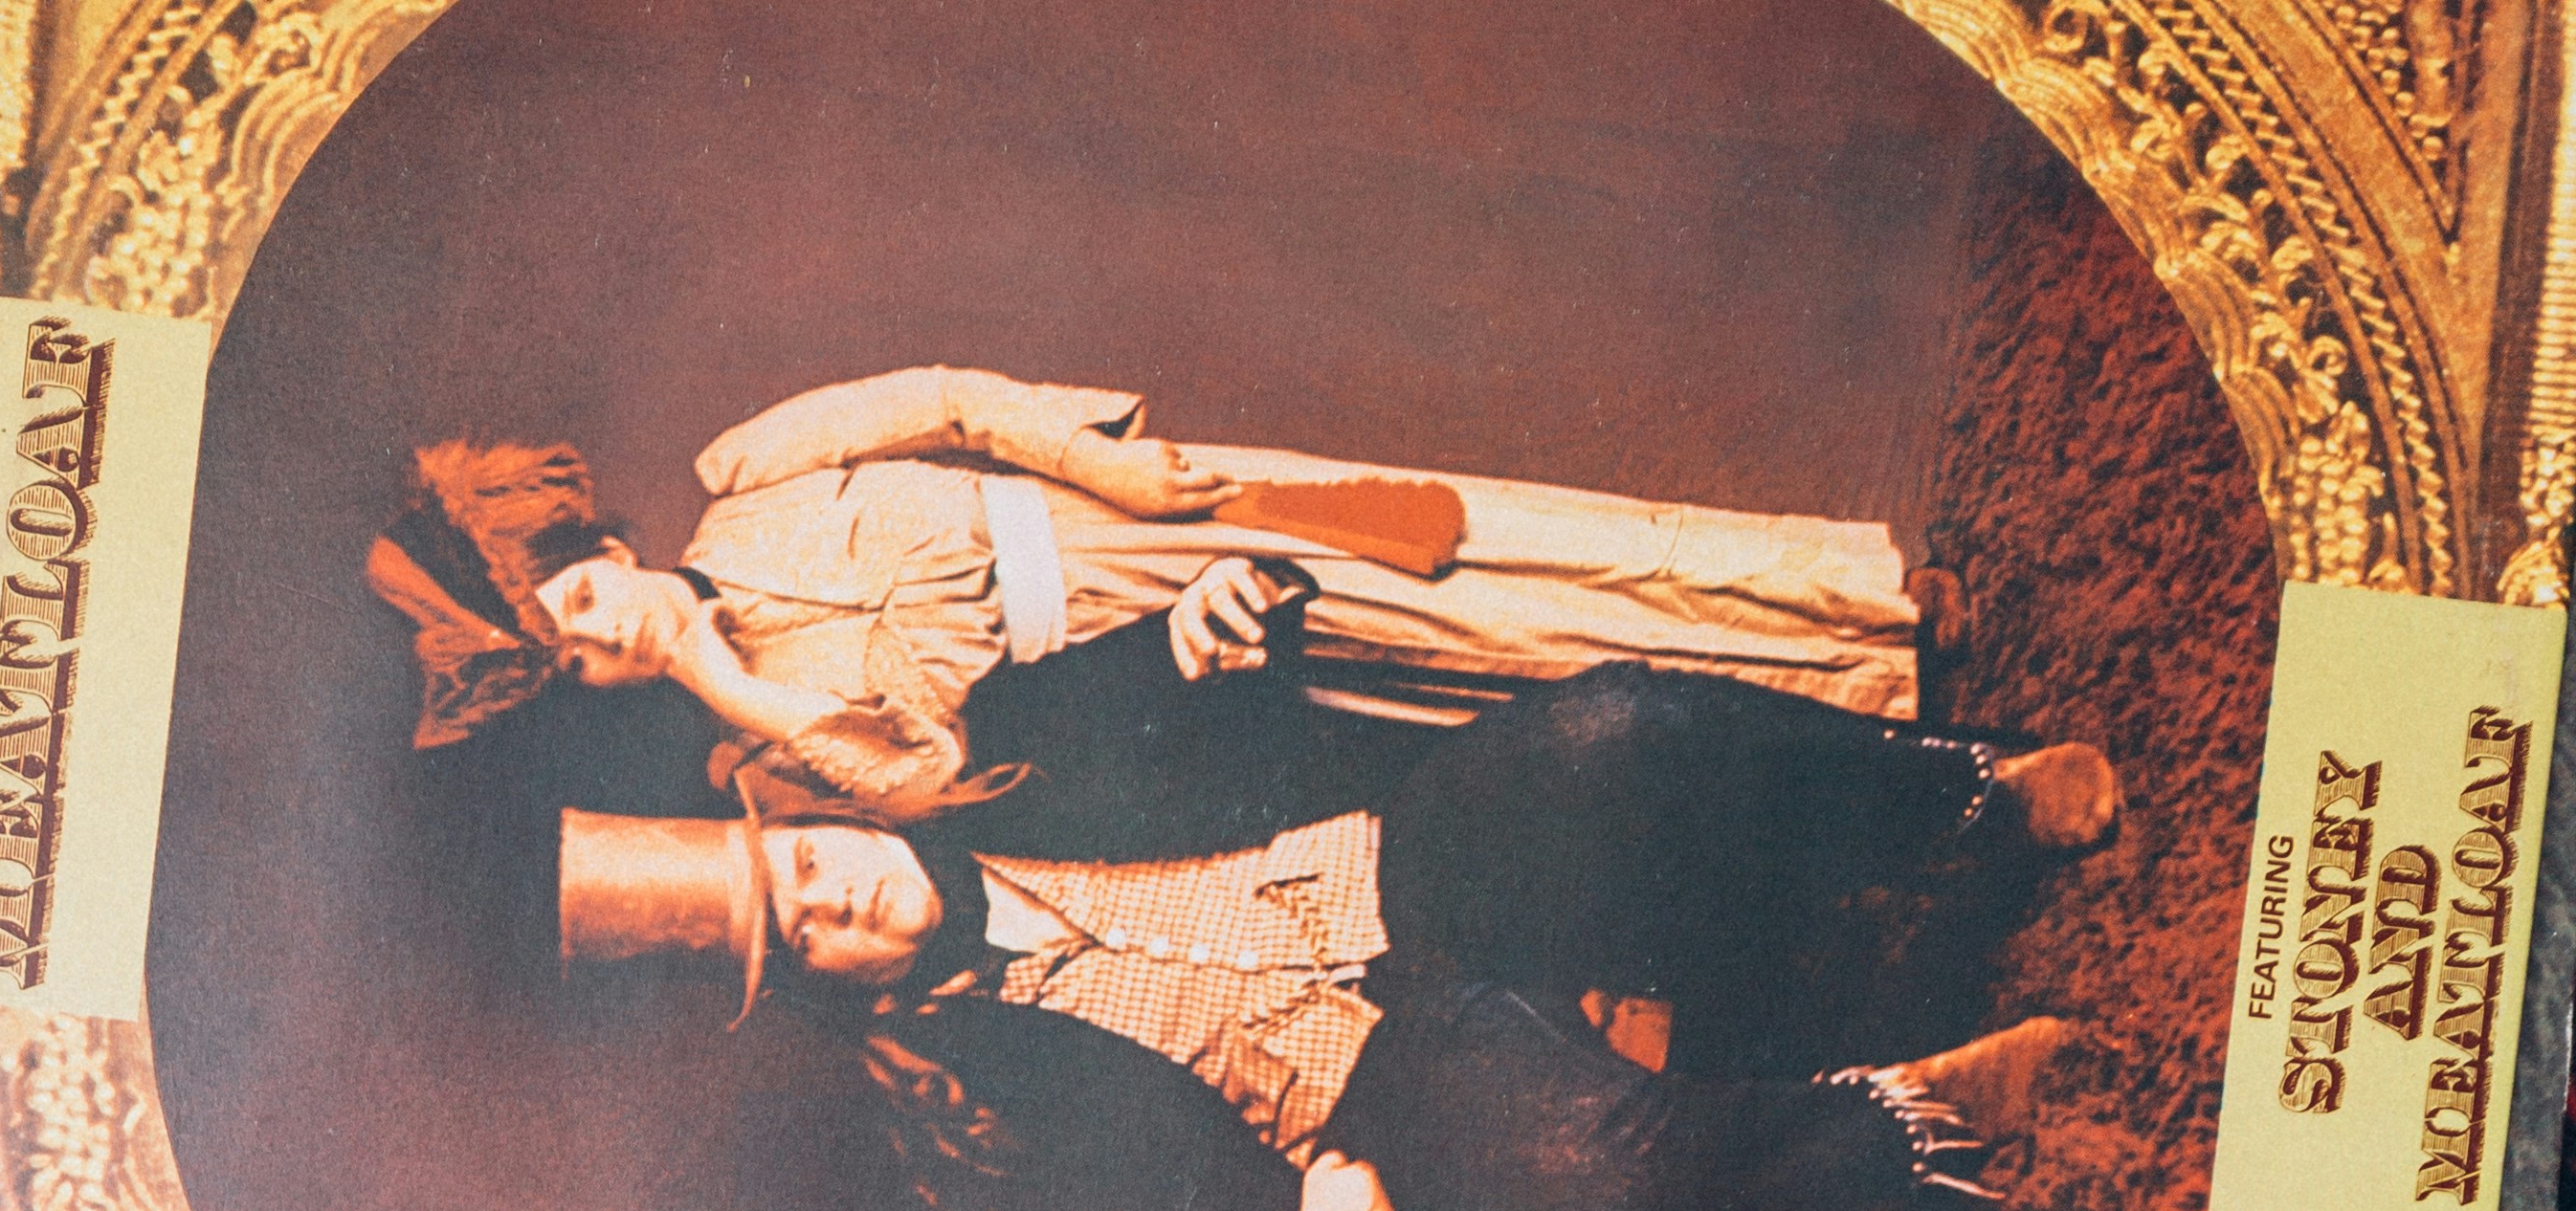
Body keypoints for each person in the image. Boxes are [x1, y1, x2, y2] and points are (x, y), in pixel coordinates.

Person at [554, 619, 2121, 1211]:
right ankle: (1905, 1120)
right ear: (825, 992)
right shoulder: (947, 1102)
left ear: (826, 818)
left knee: (1616, 725)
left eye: (819, 866)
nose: (850, 902)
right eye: (815, 934)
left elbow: (1130, 674)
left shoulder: (1009, 765)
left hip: (1407, 866)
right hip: (1358, 1105)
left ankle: (1958, 800)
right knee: (1586, 1161)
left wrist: (1198, 625)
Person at [372, 372, 1935, 829]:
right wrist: (728, 680)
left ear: (596, 540)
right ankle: (1859, 700)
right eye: (577, 659)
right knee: (1484, 657)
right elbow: (931, 770)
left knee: (1482, 544)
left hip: (1128, 514)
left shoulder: (747, 465)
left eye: (577, 594)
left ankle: (1857, 597)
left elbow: (948, 403)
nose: (600, 628)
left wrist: (1110, 474)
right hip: (1164, 664)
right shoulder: (775, 749)